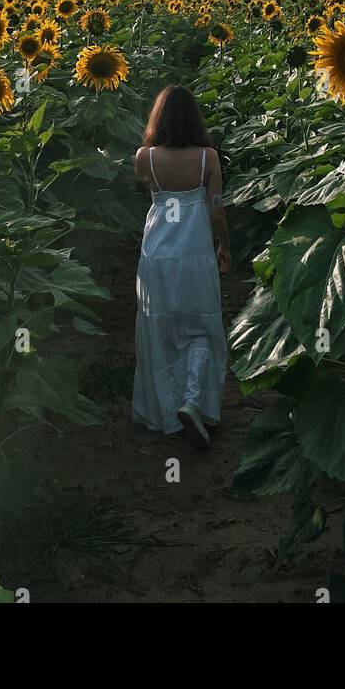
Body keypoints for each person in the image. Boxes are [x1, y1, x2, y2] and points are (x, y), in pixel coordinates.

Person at [132, 84, 230, 449]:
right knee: (201, 326)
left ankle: (165, 408)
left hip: (157, 255)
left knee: (161, 327)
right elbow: (216, 208)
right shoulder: (208, 157)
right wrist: (225, 246)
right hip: (196, 252)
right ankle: (193, 400)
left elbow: (155, 199)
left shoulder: (145, 157)